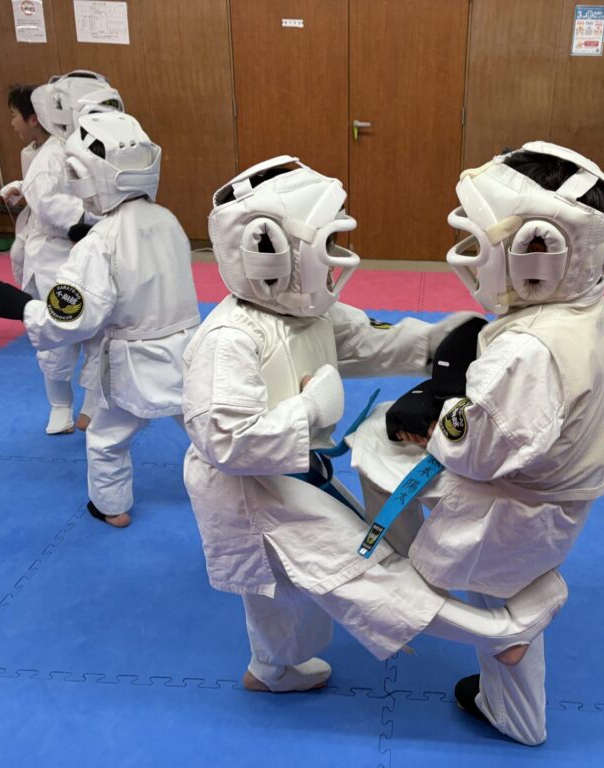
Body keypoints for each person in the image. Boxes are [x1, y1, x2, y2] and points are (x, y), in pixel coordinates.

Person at [182, 156, 569, 695]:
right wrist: (311, 409)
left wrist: (436, 342)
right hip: (248, 488)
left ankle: (270, 670)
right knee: (359, 571)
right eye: (328, 246)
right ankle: (500, 635)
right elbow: (223, 440)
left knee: (288, 588)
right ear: (267, 250)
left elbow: (366, 340)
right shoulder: (229, 339)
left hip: (295, 471)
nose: (336, 261)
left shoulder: (307, 313)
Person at [349, 142, 604, 746]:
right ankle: (516, 716)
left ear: (538, 255)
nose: (473, 256)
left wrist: (439, 414)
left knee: (371, 446)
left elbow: (474, 449)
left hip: (512, 506)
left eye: (484, 243)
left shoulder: (529, 351)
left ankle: (414, 583)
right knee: (508, 587)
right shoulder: (580, 307)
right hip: (551, 494)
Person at [0, 111, 198, 529]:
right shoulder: (168, 220)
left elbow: (72, 318)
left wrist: (22, 306)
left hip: (133, 363)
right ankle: (245, 488)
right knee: (207, 432)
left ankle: (112, 507)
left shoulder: (99, 243)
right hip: (187, 353)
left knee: (107, 439)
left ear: (88, 176)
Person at [0, 72, 124, 434]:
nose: (13, 124)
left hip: (93, 249)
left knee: (101, 332)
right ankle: (60, 406)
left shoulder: (90, 146)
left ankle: (92, 405)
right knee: (59, 332)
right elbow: (49, 199)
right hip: (56, 257)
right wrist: (87, 219)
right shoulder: (51, 152)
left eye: (14, 116)